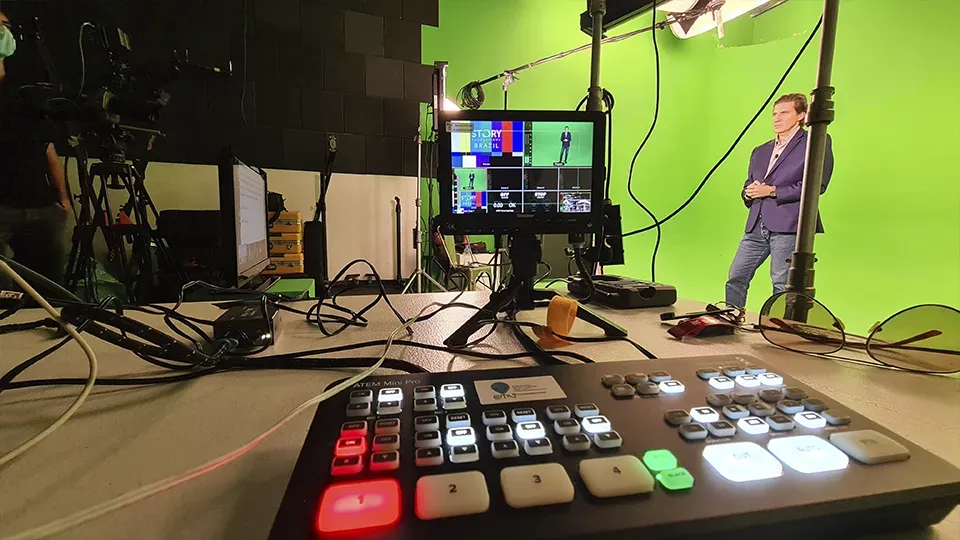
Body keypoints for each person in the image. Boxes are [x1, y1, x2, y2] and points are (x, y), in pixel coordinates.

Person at [724, 93, 834, 308]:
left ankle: (775, 331)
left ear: (801, 115)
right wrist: (748, 193)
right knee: (736, 277)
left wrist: (773, 191)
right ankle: (730, 318)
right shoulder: (760, 151)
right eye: (774, 113)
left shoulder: (814, 142)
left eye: (784, 113)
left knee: (782, 284)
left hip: (789, 225)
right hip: (756, 225)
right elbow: (750, 184)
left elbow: (816, 185)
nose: (777, 118)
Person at [0, 10, 72, 285]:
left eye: (4, 25)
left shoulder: (24, 90)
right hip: (1, 206)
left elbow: (47, 148)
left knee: (48, 287)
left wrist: (62, 198)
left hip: (41, 207)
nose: (1, 31)